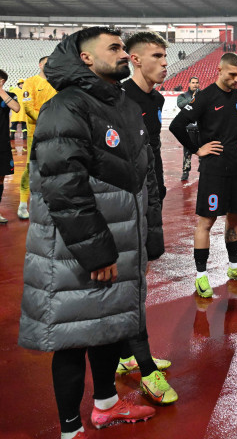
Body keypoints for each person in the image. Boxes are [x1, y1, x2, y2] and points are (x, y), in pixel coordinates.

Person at [18, 27, 162, 437]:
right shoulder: (66, 106)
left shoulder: (120, 102)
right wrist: (97, 252)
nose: (125, 55)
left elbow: (141, 172)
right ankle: (70, 430)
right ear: (85, 58)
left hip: (114, 243)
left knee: (105, 329)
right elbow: (64, 186)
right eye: (114, 48)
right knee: (72, 336)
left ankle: (105, 406)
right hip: (76, 250)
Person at [169, 52, 237, 299]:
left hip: (236, 167)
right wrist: (198, 149)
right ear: (219, 70)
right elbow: (176, 125)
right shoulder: (205, 97)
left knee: (235, 218)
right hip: (213, 169)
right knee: (206, 222)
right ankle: (201, 276)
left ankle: (235, 267)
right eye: (232, 74)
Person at [118, 31, 177, 405]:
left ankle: (126, 357)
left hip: (149, 196)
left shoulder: (155, 99)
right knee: (132, 287)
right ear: (135, 59)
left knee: (138, 279)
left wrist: (158, 193)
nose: (165, 62)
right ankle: (145, 368)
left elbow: (152, 148)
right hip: (124, 203)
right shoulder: (119, 98)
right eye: (157, 55)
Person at [18, 56, 58, 219]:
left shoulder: (57, 83)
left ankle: (49, 204)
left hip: (56, 132)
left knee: (53, 167)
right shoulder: (30, 82)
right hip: (36, 132)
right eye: (47, 63)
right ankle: (22, 204)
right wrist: (48, 119)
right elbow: (28, 107)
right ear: (40, 64)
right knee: (31, 167)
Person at [0, 70, 21, 223]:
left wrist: (0, 91)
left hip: (2, 143)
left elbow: (16, 108)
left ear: (2, 81)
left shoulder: (9, 95)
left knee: (1, 178)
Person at [177, 76, 201, 181]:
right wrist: (193, 99)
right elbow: (180, 105)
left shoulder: (203, 95)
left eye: (197, 83)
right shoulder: (183, 96)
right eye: (193, 83)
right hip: (188, 129)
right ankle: (185, 171)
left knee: (202, 150)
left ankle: (203, 169)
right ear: (189, 84)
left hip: (200, 128)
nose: (195, 84)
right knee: (187, 152)